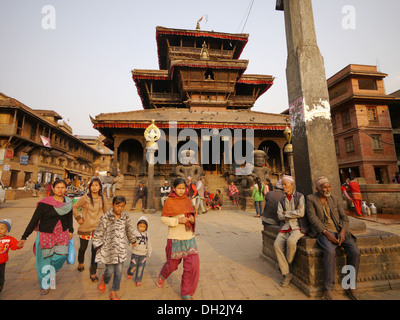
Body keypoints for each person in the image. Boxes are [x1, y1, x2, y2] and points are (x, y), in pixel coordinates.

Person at [306, 176, 361, 300]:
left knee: (355, 252)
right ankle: (328, 288)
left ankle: (350, 284)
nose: (327, 189)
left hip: (340, 231)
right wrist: (326, 232)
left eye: (329, 186)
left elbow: (344, 218)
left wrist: (342, 231)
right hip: (323, 232)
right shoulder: (311, 199)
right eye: (324, 187)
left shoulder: (335, 198)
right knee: (329, 251)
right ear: (318, 188)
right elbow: (312, 219)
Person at [18, 179, 74, 296]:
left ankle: (50, 273)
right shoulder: (45, 203)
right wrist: (24, 236)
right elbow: (34, 220)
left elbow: (69, 217)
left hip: (62, 234)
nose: (60, 190)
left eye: (62, 187)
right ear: (53, 189)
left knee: (62, 256)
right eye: (58, 187)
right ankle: (45, 284)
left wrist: (71, 230)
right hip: (46, 234)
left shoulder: (68, 202)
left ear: (65, 189)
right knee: (45, 260)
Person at [157, 178, 199, 300]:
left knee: (193, 265)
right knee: (171, 265)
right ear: (174, 188)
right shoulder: (169, 201)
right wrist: (177, 221)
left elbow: (191, 213)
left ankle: (186, 292)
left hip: (189, 237)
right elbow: (163, 219)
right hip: (175, 237)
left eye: (183, 188)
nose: (181, 191)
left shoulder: (187, 200)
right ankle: (162, 275)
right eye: (179, 188)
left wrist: (192, 218)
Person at [94, 196, 136, 300]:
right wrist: (98, 244)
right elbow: (99, 231)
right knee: (109, 271)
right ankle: (104, 279)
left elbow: (129, 229)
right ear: (113, 205)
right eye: (117, 206)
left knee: (119, 272)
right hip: (109, 249)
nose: (120, 208)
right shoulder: (106, 217)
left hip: (121, 249)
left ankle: (114, 292)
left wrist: (133, 240)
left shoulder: (125, 216)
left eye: (122, 206)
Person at [273, 175, 307, 287]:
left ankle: (287, 263)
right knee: (277, 245)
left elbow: (301, 213)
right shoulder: (282, 199)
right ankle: (286, 273)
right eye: (282, 185)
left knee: (291, 242)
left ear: (292, 185)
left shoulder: (300, 196)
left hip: (298, 226)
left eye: (285, 184)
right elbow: (279, 216)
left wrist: (286, 214)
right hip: (285, 226)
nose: (283, 187)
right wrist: (293, 213)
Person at [73, 177, 109, 282]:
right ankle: (81, 262)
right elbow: (75, 207)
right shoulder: (85, 198)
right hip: (85, 227)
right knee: (82, 249)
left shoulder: (103, 198)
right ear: (90, 186)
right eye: (93, 185)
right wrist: (78, 218)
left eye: (97, 185)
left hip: (97, 229)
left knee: (95, 251)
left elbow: (107, 212)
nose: (94, 187)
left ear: (100, 187)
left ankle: (93, 272)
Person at [127, 216, 152, 286]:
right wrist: (130, 242)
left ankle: (138, 280)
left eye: (144, 227)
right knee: (133, 267)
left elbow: (148, 243)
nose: (142, 228)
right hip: (135, 254)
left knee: (141, 268)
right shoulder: (134, 232)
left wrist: (149, 252)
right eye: (140, 226)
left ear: (146, 227)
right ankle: (129, 272)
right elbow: (129, 239)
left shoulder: (147, 234)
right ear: (137, 225)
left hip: (143, 255)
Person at [0, 219, 23, 293]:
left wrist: (19, 244)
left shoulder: (8, 239)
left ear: (7, 230)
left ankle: (0, 286)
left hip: (1, 262)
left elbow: (14, 245)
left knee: (0, 276)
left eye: (2, 228)